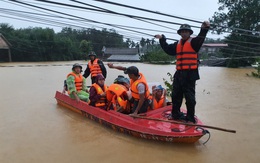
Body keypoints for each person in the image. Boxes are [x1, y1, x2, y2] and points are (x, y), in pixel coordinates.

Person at [154, 21, 210, 123]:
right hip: (179, 74)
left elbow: (201, 37)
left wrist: (204, 28)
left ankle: (190, 118)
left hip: (190, 74)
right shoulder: (177, 44)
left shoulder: (194, 43)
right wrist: (162, 39)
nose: (184, 33)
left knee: (190, 98)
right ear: (180, 33)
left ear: (189, 33)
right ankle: (175, 114)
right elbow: (168, 49)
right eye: (182, 32)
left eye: (186, 32)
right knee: (175, 95)